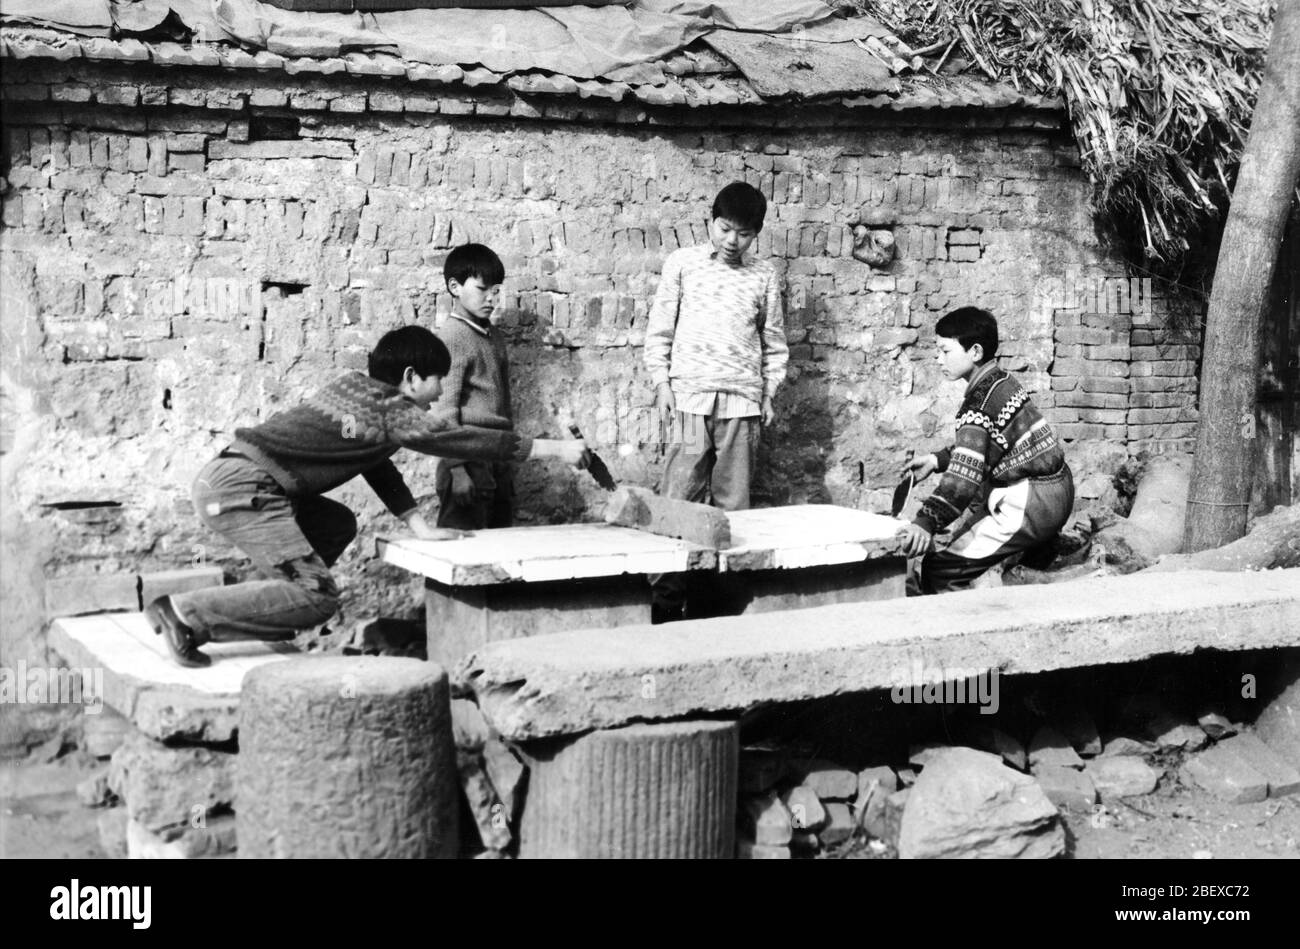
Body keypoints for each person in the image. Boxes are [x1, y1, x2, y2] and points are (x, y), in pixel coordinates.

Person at [144, 325, 586, 667]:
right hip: (245, 489)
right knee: (319, 597)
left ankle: (274, 612)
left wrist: (418, 525)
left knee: (336, 524)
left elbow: (374, 461)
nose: (438, 395)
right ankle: (186, 614)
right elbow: (459, 440)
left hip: (229, 477)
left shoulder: (356, 390)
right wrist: (553, 449)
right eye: (438, 381)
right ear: (412, 378)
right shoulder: (394, 410)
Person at [643, 180, 788, 620]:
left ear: (756, 235)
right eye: (725, 229)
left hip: (742, 405)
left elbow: (774, 341)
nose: (732, 241)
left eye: (744, 234)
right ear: (711, 221)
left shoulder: (763, 274)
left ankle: (717, 607)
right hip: (689, 398)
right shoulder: (683, 264)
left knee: (734, 507)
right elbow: (660, 330)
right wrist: (663, 385)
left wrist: (768, 391)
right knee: (678, 499)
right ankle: (665, 603)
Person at [896, 306, 1074, 594]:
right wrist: (936, 460)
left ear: (975, 352)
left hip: (1031, 504)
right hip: (1059, 491)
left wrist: (925, 522)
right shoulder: (1002, 381)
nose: (937, 358)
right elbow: (987, 444)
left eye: (944, 350)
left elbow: (963, 481)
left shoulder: (976, 405)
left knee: (939, 568)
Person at [431, 243, 518, 530]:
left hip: (496, 459)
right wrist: (456, 470)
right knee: (458, 553)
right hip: (466, 462)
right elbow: (445, 411)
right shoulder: (452, 337)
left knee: (499, 554)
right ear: (455, 287)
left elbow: (502, 405)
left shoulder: (494, 337)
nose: (491, 298)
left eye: (495, 290)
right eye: (482, 289)